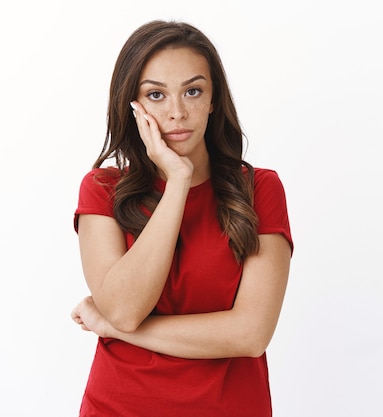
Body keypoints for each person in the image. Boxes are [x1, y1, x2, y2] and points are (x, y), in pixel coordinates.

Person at [70, 20, 293, 417]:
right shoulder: (102, 189)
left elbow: (250, 334)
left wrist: (112, 329)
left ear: (212, 100)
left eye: (193, 91)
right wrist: (178, 180)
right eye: (156, 95)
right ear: (132, 105)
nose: (177, 112)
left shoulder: (260, 189)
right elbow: (125, 309)